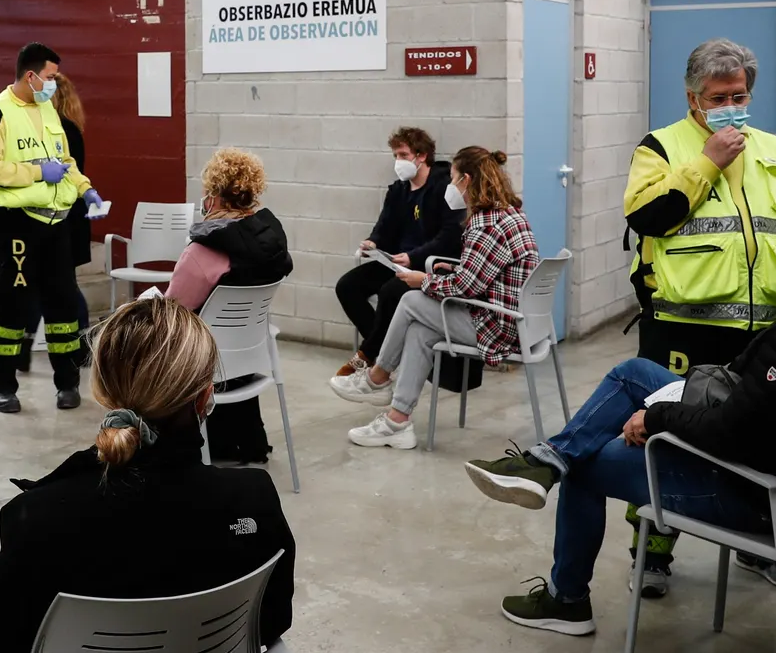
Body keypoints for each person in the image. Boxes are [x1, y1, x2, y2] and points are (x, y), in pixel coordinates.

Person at [460, 175, 776, 637]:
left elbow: (728, 434)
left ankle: (566, 598)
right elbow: (767, 406)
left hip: (758, 493)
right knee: (635, 372)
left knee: (588, 465)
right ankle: (547, 460)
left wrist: (656, 417)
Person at [0, 297, 296, 653]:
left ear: (104, 394)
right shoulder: (253, 500)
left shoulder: (39, 520)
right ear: (204, 398)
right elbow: (271, 621)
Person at [618, 38, 776, 595]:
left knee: (764, 438)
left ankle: (757, 545)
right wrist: (707, 163)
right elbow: (649, 217)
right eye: (717, 97)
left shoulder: (772, 147)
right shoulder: (662, 146)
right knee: (665, 437)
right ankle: (650, 553)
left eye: (739, 95)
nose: (730, 105)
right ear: (693, 97)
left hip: (765, 325)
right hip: (683, 324)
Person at [330, 147, 538, 450]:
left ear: (466, 180)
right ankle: (397, 421)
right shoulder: (509, 213)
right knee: (420, 329)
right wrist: (454, 267)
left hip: (499, 328)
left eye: (453, 179)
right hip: (514, 321)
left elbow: (466, 288)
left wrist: (423, 279)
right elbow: (484, 273)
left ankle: (377, 376)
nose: (449, 187)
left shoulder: (485, 225)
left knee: (412, 300)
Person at [0, 43, 106, 413]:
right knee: (12, 308)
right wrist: (36, 172)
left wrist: (85, 188)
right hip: (15, 225)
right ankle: (3, 387)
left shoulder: (46, 109)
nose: (52, 85)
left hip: (54, 224)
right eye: (49, 78)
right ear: (30, 76)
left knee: (63, 306)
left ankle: (67, 383)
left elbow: (65, 161)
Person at [164, 148, 293, 463]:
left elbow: (171, 311)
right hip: (249, 359)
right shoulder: (272, 242)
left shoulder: (201, 252)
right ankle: (244, 441)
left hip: (204, 365)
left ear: (215, 197)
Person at [332, 127, 461, 380]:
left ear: (421, 156)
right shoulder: (398, 191)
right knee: (347, 286)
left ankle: (369, 355)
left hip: (425, 265)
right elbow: (385, 227)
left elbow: (449, 237)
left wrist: (414, 257)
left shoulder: (444, 189)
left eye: (403, 154)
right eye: (395, 156)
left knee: (389, 291)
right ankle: (382, 350)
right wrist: (373, 242)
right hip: (396, 261)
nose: (398, 162)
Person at [50, 73, 93, 355]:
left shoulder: (62, 130)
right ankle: (78, 343)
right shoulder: (71, 128)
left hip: (65, 218)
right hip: (70, 216)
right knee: (62, 284)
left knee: (65, 284)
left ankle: (82, 343)